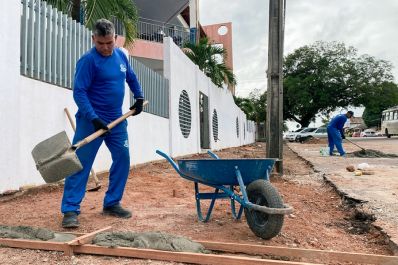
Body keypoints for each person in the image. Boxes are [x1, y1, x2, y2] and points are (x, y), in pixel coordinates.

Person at [61, 19, 144, 228]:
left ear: (115, 38)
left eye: (109, 43)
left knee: (123, 158)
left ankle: (112, 203)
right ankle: (70, 210)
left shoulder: (121, 56)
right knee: (80, 164)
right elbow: (79, 92)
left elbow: (131, 78)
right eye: (100, 43)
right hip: (91, 121)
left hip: (116, 121)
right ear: (93, 39)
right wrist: (93, 117)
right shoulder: (88, 61)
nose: (105, 48)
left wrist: (140, 98)